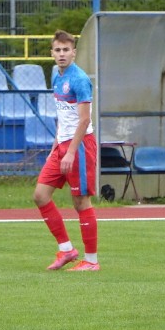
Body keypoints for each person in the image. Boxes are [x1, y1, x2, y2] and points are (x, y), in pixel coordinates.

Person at [33, 30, 99, 272]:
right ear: (52, 53)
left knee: (81, 201)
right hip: (63, 144)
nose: (61, 54)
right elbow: (63, 115)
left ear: (74, 52)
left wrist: (71, 151)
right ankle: (66, 249)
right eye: (57, 50)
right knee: (40, 195)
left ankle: (91, 261)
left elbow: (83, 120)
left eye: (66, 50)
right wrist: (56, 146)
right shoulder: (57, 77)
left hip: (79, 146)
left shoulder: (79, 79)